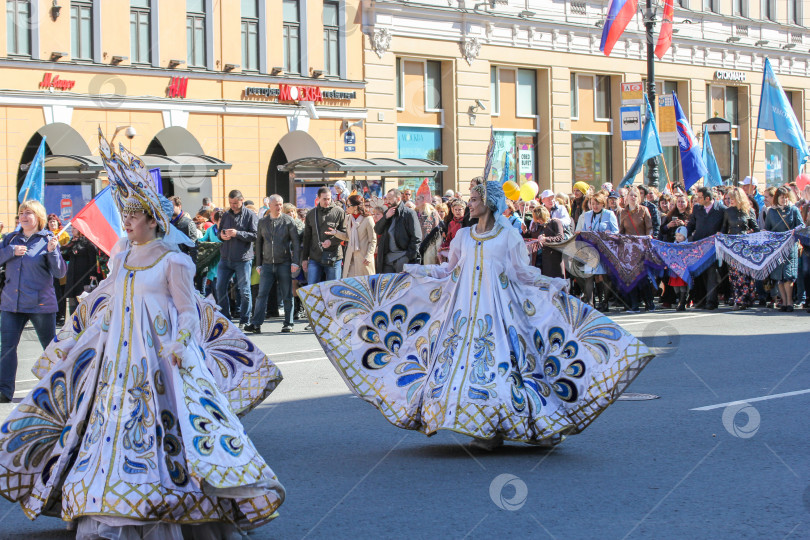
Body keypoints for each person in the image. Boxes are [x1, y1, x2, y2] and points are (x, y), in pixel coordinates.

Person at [0, 133, 285, 536]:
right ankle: (107, 498)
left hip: (160, 361)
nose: (127, 221)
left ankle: (176, 498)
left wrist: (179, 343)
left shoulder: (174, 261)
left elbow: (188, 311)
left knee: (171, 427)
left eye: (133, 216)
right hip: (117, 359)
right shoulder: (123, 255)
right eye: (125, 215)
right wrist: (82, 332)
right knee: (106, 428)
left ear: (153, 220)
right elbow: (111, 299)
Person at [297, 180, 654, 451]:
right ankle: (481, 425)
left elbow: (522, 274)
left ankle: (524, 424)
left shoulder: (510, 236)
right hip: (462, 313)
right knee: (461, 368)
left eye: (474, 198)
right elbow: (450, 272)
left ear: (491, 203)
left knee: (507, 366)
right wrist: (416, 273)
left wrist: (551, 284)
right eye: (469, 198)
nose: (468, 203)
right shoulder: (465, 236)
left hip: (501, 314)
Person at [0, 201, 66, 403]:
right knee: (7, 348)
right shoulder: (10, 239)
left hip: (40, 305)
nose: (24, 215)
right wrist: (10, 251)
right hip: (11, 304)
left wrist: (53, 251)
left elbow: (60, 272)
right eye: (21, 212)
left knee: (49, 348)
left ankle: (59, 389)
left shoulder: (48, 239)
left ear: (39, 217)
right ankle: (4, 391)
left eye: (29, 212)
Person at [246, 194, 300, 334]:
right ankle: (256, 324)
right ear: (269, 206)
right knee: (261, 295)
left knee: (287, 294)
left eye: (281, 204)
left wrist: (296, 262)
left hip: (284, 263)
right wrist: (258, 264)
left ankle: (288, 323)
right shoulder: (263, 222)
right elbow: (258, 242)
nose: (279, 207)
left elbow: (295, 242)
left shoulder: (288, 221)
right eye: (276, 204)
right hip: (267, 264)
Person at [217, 189, 258, 329]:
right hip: (225, 257)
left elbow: (255, 235)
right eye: (230, 203)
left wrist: (237, 233)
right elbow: (219, 231)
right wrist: (221, 235)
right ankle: (226, 317)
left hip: (242, 258)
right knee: (220, 287)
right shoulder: (226, 215)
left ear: (242, 200)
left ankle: (245, 319)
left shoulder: (250, 215)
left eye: (235, 203)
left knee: (244, 290)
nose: (233, 205)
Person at [575, 192, 619, 309]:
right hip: (591, 249)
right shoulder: (588, 215)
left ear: (603, 204)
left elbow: (616, 232)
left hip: (604, 249)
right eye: (593, 204)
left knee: (605, 276)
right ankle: (590, 303)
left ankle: (604, 302)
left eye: (598, 204)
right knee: (589, 275)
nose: (595, 206)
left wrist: (609, 234)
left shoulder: (609, 214)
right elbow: (584, 230)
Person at [764, 186, 804, 312]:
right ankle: (784, 301)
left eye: (786, 198)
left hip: (790, 246)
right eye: (782, 197)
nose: (784, 200)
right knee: (779, 276)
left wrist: (794, 231)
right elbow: (767, 228)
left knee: (788, 275)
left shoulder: (794, 210)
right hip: (777, 247)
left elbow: (801, 225)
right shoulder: (771, 212)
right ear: (777, 198)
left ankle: (790, 302)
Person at [686, 186, 726, 310]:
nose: (697, 199)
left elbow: (724, 227)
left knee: (712, 274)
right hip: (699, 246)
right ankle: (701, 300)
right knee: (701, 274)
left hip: (713, 247)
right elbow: (692, 224)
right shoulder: (697, 208)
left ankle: (711, 301)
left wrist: (722, 234)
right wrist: (684, 235)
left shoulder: (721, 209)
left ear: (708, 198)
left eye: (699, 197)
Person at [722, 187, 759, 310]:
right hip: (732, 247)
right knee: (735, 274)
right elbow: (724, 228)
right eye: (729, 198)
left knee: (745, 274)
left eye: (732, 198)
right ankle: (738, 299)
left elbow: (755, 228)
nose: (730, 201)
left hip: (746, 246)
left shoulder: (748, 211)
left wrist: (750, 232)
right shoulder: (728, 212)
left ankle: (747, 298)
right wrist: (720, 236)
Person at [619, 186, 654, 313]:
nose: (633, 197)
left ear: (638, 197)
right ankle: (634, 304)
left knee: (643, 277)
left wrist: (648, 238)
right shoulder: (623, 212)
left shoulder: (644, 210)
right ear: (627, 197)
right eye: (631, 195)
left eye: (635, 195)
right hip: (629, 248)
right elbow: (621, 230)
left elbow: (649, 227)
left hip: (642, 247)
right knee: (631, 277)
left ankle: (649, 302)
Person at [325, 193, 376, 278]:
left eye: (348, 205)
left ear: (355, 207)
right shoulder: (348, 218)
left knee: (365, 285)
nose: (347, 207)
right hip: (350, 257)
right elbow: (348, 237)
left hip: (363, 258)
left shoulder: (368, 219)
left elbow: (373, 240)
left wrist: (369, 255)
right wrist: (336, 233)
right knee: (350, 285)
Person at [302, 186, 347, 285]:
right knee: (312, 289)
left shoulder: (339, 212)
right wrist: (304, 258)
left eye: (329, 199)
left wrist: (331, 241)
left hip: (334, 256)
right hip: (315, 257)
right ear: (318, 198)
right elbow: (307, 237)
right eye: (324, 199)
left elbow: (344, 233)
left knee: (333, 288)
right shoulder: (311, 214)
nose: (327, 201)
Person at [375, 188, 422, 273]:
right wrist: (385, 217)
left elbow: (417, 237)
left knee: (402, 285)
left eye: (390, 199)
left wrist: (409, 256)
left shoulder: (409, 213)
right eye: (387, 199)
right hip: (388, 258)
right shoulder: (388, 212)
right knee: (388, 285)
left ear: (399, 199)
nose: (388, 201)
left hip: (403, 257)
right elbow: (378, 230)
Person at [61, 229, 101, 315]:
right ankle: (72, 319)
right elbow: (64, 255)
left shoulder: (88, 242)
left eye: (75, 229)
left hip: (84, 275)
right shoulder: (72, 242)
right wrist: (70, 244)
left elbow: (93, 259)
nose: (73, 230)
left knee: (82, 296)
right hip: (72, 275)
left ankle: (83, 318)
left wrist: (93, 273)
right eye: (72, 228)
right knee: (72, 298)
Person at [527, 206, 565, 278]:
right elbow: (531, 236)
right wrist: (524, 231)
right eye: (537, 219)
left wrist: (546, 239)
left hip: (553, 259)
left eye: (540, 218)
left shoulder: (555, 222)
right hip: (540, 260)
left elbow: (560, 237)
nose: (538, 220)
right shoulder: (536, 225)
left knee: (556, 282)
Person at [47, 214, 71, 324]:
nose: (52, 224)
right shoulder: (46, 235)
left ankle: (61, 316)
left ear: (58, 223)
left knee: (60, 293)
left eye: (54, 222)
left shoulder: (64, 235)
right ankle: (54, 315)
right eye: (50, 222)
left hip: (60, 268)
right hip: (48, 270)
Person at [199, 208, 223, 298]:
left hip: (224, 261)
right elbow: (202, 240)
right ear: (215, 221)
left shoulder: (227, 230)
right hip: (213, 262)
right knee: (212, 290)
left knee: (221, 291)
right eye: (220, 220)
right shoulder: (210, 230)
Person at [670, 226, 690, 311]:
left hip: (683, 269)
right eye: (677, 235)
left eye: (680, 236)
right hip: (674, 269)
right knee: (675, 287)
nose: (678, 237)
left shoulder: (687, 245)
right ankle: (679, 300)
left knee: (682, 286)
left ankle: (682, 303)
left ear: (685, 236)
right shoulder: (673, 245)